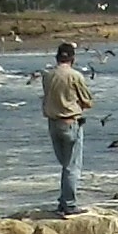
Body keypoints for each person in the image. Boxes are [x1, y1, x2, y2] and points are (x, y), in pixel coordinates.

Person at [40, 41, 92, 216]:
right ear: (73, 59)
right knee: (72, 166)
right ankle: (69, 205)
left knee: (65, 164)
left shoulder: (47, 75)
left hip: (52, 123)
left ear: (57, 57)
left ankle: (63, 202)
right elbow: (87, 101)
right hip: (70, 123)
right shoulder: (75, 76)